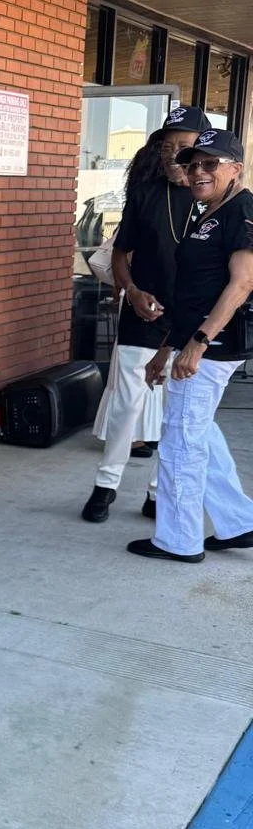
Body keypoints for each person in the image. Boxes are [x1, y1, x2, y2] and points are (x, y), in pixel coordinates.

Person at [129, 127, 253, 562]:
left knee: (181, 442)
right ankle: (239, 521)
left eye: (210, 163)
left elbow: (243, 283)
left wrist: (198, 344)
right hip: (192, 340)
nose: (198, 171)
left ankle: (178, 540)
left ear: (235, 168)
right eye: (193, 163)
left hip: (212, 346)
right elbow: (194, 291)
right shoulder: (210, 210)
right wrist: (167, 347)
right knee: (199, 432)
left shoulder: (242, 210)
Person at [81, 104, 206, 523]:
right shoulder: (145, 194)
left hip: (192, 322)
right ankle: (105, 485)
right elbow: (118, 254)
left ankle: (157, 492)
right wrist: (131, 290)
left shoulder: (218, 202)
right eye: (166, 146)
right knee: (127, 405)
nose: (172, 154)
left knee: (177, 411)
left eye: (183, 146)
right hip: (143, 314)